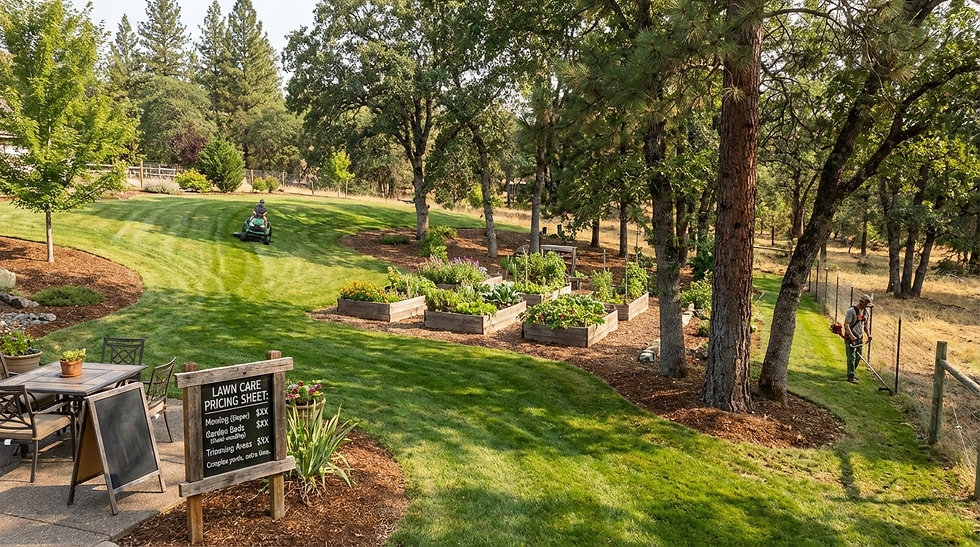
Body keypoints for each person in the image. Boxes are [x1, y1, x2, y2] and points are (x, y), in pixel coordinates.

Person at [844, 294, 874, 383]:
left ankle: (852, 372)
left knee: (858, 357)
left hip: (859, 338)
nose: (867, 307)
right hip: (850, 337)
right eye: (866, 304)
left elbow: (865, 325)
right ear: (861, 302)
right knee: (851, 357)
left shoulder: (866, 313)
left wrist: (868, 334)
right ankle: (851, 376)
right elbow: (846, 324)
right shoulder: (851, 311)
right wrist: (850, 335)